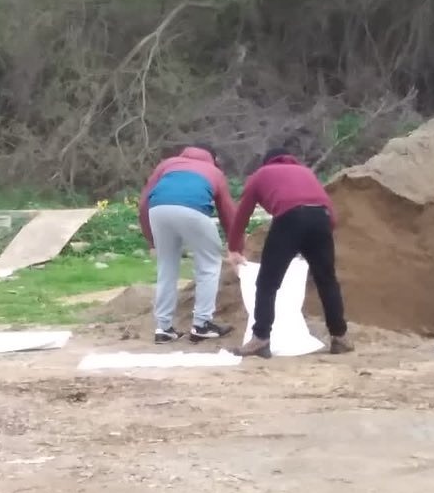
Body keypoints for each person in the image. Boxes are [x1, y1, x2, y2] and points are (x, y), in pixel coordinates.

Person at [226, 147, 353, 359]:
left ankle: (260, 339)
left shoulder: (261, 175)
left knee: (267, 282)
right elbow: (330, 211)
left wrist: (233, 248)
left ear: (267, 162)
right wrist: (313, 242)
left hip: (289, 218)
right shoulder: (306, 172)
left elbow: (242, 214)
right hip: (320, 218)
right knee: (327, 281)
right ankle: (340, 337)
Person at [138, 144, 236, 343]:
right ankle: (202, 325)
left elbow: (143, 201)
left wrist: (151, 241)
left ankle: (163, 329)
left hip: (158, 210)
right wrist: (235, 243)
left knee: (166, 268)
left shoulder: (167, 164)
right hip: (194, 210)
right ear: (213, 158)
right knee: (208, 266)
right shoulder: (214, 172)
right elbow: (227, 211)